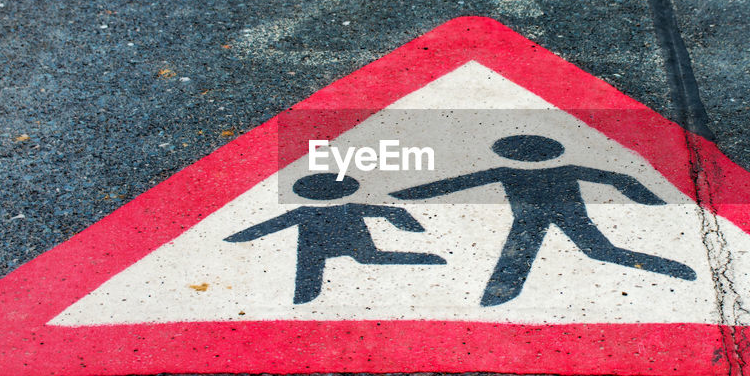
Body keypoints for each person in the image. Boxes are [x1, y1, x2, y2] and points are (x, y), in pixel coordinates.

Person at [391, 134, 695, 306]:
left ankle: (673, 268)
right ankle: (496, 296)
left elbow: (456, 183)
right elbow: (618, 178)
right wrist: (648, 199)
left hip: (544, 217)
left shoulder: (508, 172)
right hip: (551, 217)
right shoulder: (562, 169)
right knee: (535, 254)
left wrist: (408, 195)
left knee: (534, 254)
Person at [225, 173, 445, 305]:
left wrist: (239, 237)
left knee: (312, 271)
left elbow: (270, 226)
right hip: (335, 242)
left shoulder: (306, 211)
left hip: (316, 245)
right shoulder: (345, 208)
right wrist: (410, 227)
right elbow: (391, 213)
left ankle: (303, 299)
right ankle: (428, 259)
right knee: (366, 258)